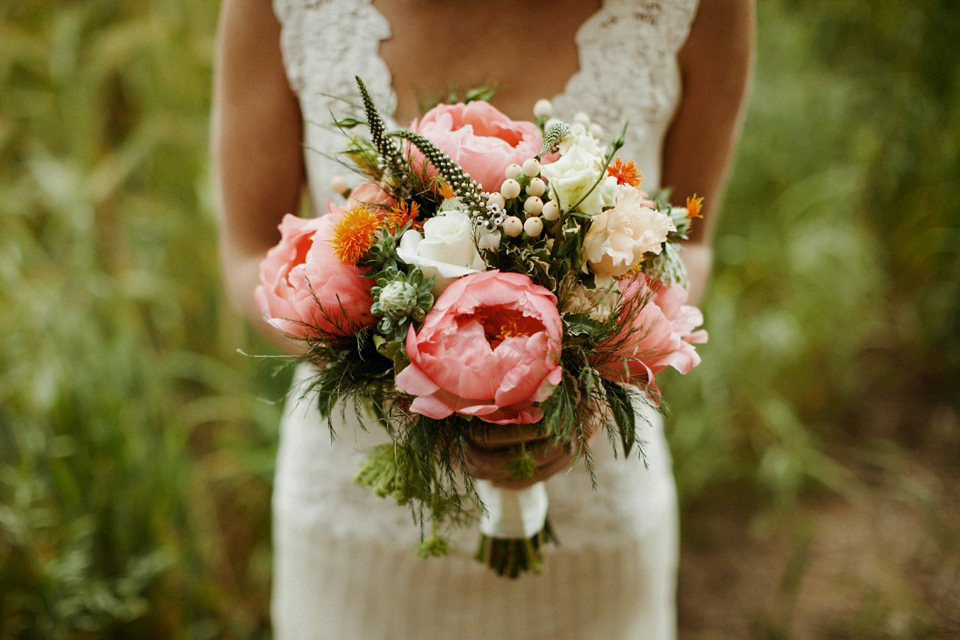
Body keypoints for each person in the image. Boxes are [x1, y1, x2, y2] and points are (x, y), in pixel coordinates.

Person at [213, 0, 753, 637]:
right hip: (361, 526)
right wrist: (409, 369)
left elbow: (690, 243)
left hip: (592, 518)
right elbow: (251, 254)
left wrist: (590, 383)